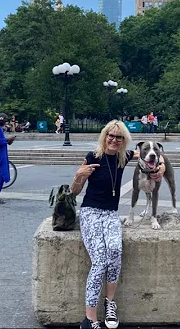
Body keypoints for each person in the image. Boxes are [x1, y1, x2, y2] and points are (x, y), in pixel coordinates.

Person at [70, 120, 165, 329]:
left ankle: (110, 303)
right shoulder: (92, 157)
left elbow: (154, 155)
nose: (114, 140)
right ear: (104, 136)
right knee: (100, 259)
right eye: (110, 135)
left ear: (124, 141)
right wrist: (79, 176)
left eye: (119, 137)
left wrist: (162, 167)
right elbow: (74, 192)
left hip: (111, 214)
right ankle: (90, 318)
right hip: (91, 212)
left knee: (115, 250)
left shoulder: (124, 157)